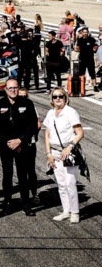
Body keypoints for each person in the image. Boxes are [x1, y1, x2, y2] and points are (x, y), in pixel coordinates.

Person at [0, 78, 38, 217]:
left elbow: (32, 125)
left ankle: (26, 203)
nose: (13, 90)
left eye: (15, 88)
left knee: (23, 174)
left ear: (19, 88)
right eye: (10, 88)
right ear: (5, 89)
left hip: (22, 144)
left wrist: (20, 140)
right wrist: (9, 141)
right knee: (7, 174)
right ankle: (7, 202)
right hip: (6, 145)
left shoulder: (27, 103)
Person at [44, 87, 85, 224]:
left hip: (68, 151)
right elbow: (47, 133)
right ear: (51, 99)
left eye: (60, 96)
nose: (58, 99)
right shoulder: (50, 113)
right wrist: (48, 153)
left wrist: (70, 147)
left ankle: (75, 212)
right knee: (61, 184)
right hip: (54, 152)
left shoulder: (70, 112)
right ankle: (66, 210)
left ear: (66, 98)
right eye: (55, 96)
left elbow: (80, 133)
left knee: (70, 183)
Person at [75, 27, 98, 92]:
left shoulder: (91, 39)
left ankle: (95, 86)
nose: (85, 33)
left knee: (92, 72)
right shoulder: (80, 40)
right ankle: (82, 86)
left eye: (86, 32)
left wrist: (94, 50)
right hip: (82, 58)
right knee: (81, 72)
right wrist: (77, 49)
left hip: (90, 58)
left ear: (88, 32)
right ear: (82, 33)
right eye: (84, 32)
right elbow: (77, 47)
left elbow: (96, 46)